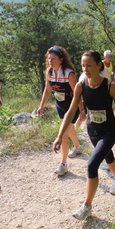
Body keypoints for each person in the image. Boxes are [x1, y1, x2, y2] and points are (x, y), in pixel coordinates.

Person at [53, 50, 115, 220]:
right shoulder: (81, 86)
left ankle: (87, 206)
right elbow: (70, 111)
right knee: (107, 155)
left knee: (92, 165)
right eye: (83, 65)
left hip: (109, 131)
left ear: (99, 65)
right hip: (93, 130)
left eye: (89, 65)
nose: (85, 69)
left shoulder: (110, 86)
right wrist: (60, 136)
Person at [36, 45, 85, 176]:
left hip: (71, 107)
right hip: (60, 106)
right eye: (49, 58)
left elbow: (77, 93)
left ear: (61, 59)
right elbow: (47, 90)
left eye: (53, 59)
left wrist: (81, 111)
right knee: (69, 129)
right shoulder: (49, 72)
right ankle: (77, 147)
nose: (50, 61)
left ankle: (63, 164)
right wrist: (41, 106)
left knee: (63, 134)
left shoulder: (69, 73)